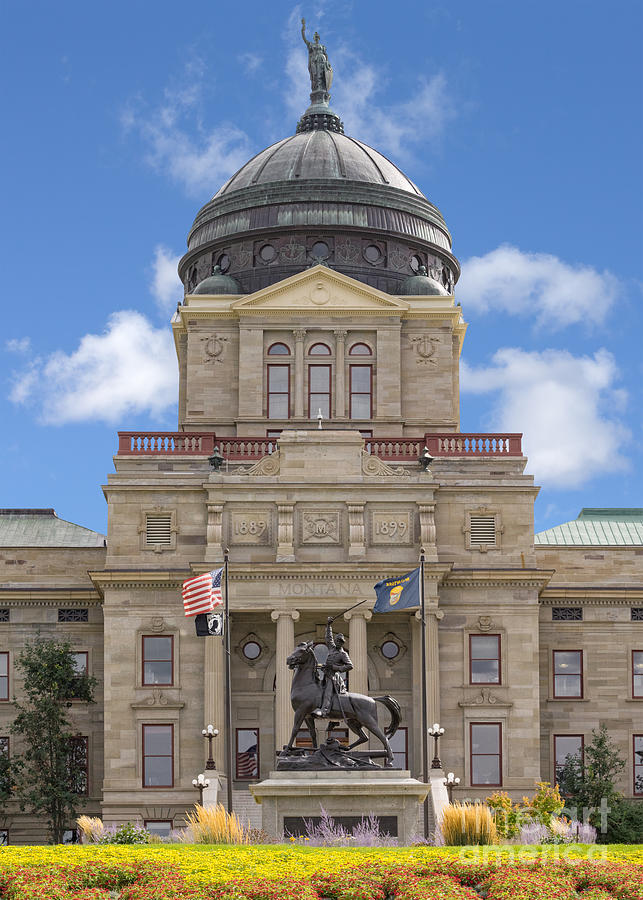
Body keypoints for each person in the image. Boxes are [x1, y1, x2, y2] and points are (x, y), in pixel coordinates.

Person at [314, 616, 353, 717]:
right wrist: (329, 625)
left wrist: (336, 667)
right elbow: (328, 637)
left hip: (333, 677)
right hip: (325, 673)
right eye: (337, 641)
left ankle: (325, 710)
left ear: (342, 643)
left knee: (328, 691)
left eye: (340, 641)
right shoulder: (332, 648)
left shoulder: (343, 654)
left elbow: (350, 666)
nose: (337, 642)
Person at [301, 18, 333, 94]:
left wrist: (327, 63)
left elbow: (326, 55)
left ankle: (322, 88)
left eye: (317, 37)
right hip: (315, 61)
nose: (316, 38)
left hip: (322, 60)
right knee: (316, 74)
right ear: (314, 38)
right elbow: (304, 39)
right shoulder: (311, 45)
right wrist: (303, 29)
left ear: (318, 38)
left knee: (322, 74)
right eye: (315, 37)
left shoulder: (322, 46)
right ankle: (317, 88)